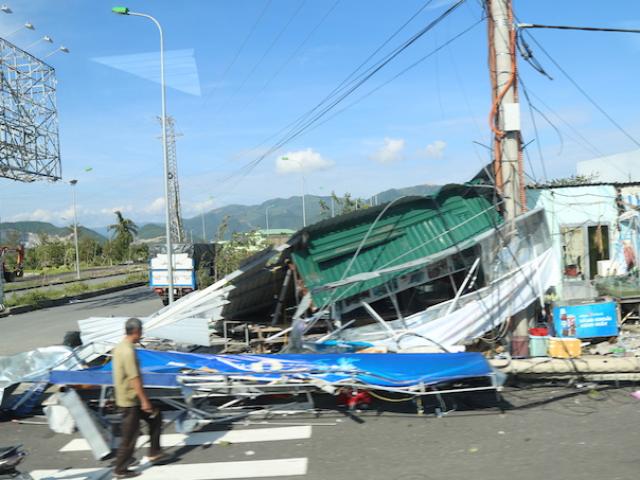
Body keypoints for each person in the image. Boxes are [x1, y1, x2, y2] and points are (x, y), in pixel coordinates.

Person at [112, 317, 166, 478]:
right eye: (141, 332)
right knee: (130, 437)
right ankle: (120, 469)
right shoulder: (128, 351)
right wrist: (144, 401)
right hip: (130, 401)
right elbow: (134, 378)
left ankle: (155, 452)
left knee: (156, 417)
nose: (142, 335)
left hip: (128, 397)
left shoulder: (120, 346)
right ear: (136, 332)